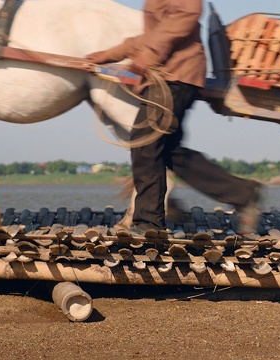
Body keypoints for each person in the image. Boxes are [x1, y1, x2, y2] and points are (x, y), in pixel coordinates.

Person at [87, 0, 260, 234]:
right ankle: (243, 194)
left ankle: (149, 224)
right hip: (171, 76)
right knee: (170, 152)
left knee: (145, 145)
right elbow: (153, 35)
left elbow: (184, 17)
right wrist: (108, 55)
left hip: (175, 77)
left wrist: (148, 55)